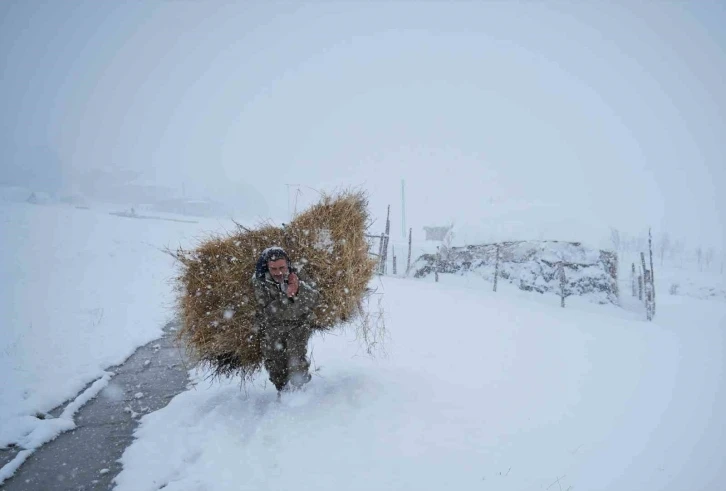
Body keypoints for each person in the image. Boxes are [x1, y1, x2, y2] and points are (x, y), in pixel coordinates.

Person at [251, 246, 320, 394]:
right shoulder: (260, 280)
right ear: (267, 267)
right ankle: (282, 391)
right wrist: (288, 296)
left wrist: (299, 286)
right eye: (274, 269)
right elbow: (268, 311)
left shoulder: (298, 274)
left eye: (282, 267)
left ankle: (300, 391)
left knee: (295, 359)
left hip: (298, 324)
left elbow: (315, 297)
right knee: (275, 363)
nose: (279, 272)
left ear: (287, 264)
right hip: (272, 327)